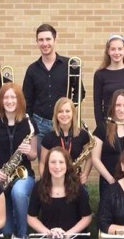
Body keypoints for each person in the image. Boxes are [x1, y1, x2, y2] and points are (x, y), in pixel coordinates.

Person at [13, 147, 93, 239]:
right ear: (47, 165)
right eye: (53, 162)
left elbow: (86, 217)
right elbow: (31, 218)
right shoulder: (39, 187)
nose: (57, 166)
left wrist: (68, 234)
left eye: (61, 162)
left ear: (67, 165)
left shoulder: (78, 187)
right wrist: (48, 233)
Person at [0, 83, 37, 238]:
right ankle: (13, 218)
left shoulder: (29, 123)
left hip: (24, 175)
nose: (10, 101)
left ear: (19, 100)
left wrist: (29, 152)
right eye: (6, 97)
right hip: (1, 177)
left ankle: (22, 234)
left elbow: (33, 155)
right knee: (6, 231)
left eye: (13, 97)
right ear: (1, 100)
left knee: (19, 192)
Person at [23, 23, 86, 152]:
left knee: (67, 161)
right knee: (45, 164)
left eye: (48, 39)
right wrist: (30, 126)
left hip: (64, 123)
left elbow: (80, 92)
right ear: (37, 42)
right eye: (41, 40)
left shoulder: (70, 65)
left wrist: (68, 109)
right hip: (39, 124)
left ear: (55, 39)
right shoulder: (32, 69)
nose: (44, 43)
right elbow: (26, 100)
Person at [91, 89, 124, 201]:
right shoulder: (102, 128)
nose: (122, 109)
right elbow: (95, 158)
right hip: (108, 181)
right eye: (118, 105)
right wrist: (111, 180)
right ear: (112, 106)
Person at [39, 97, 93, 184]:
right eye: (60, 111)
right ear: (56, 114)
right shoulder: (48, 137)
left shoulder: (82, 135)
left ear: (73, 113)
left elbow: (89, 158)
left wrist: (85, 174)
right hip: (54, 180)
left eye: (67, 111)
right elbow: (42, 163)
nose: (64, 114)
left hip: (75, 179)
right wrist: (46, 182)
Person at [93, 34, 124, 127]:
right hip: (108, 123)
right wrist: (101, 127)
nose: (116, 52)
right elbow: (97, 105)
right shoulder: (100, 74)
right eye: (113, 49)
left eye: (120, 49)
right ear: (108, 51)